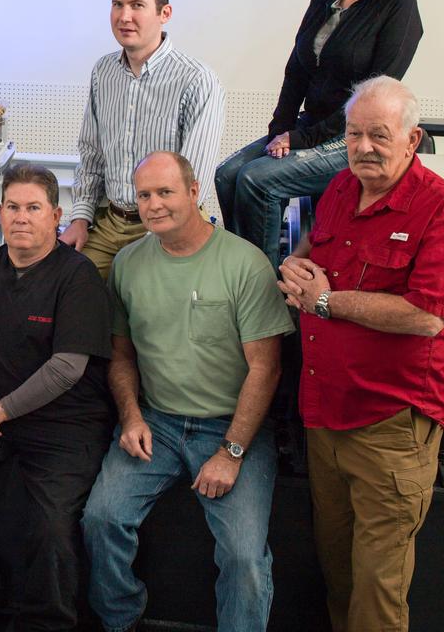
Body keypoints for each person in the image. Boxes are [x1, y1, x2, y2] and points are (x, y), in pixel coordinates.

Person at [279, 76, 444, 632]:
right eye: (354, 133)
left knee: (377, 593)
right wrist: (295, 265)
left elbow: (427, 315)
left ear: (412, 140)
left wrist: (325, 300)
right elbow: (312, 248)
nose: (364, 146)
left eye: (379, 136)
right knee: (338, 574)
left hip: (389, 427)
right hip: (325, 417)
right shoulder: (342, 186)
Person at [82, 152, 293, 632]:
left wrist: (232, 452)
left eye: (165, 192)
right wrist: (131, 416)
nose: (154, 205)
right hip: (156, 421)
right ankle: (120, 621)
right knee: (101, 520)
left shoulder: (245, 263)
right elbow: (122, 355)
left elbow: (266, 368)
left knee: (243, 555)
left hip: (231, 427)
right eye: (144, 195)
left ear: (194, 192)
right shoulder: (128, 264)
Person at [0, 163, 114, 632]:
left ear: (56, 215)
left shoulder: (78, 278)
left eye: (33, 208)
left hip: (64, 428)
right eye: (13, 206)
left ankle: (48, 623)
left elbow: (67, 368)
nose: (21, 217)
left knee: (51, 528)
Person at [215, 0, 423, 268]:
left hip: (355, 136)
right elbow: (296, 71)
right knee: (228, 175)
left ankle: (263, 294)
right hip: (309, 126)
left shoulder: (399, 5)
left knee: (257, 180)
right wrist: (280, 129)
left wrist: (300, 139)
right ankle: (238, 279)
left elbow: (374, 96)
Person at [60, 0, 225, 283]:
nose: (124, 16)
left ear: (165, 13)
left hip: (170, 226)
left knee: (150, 310)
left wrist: (157, 240)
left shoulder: (197, 79)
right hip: (110, 224)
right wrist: (79, 218)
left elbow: (195, 181)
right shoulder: (103, 72)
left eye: (137, 5)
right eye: (117, 5)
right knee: (67, 292)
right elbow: (92, 156)